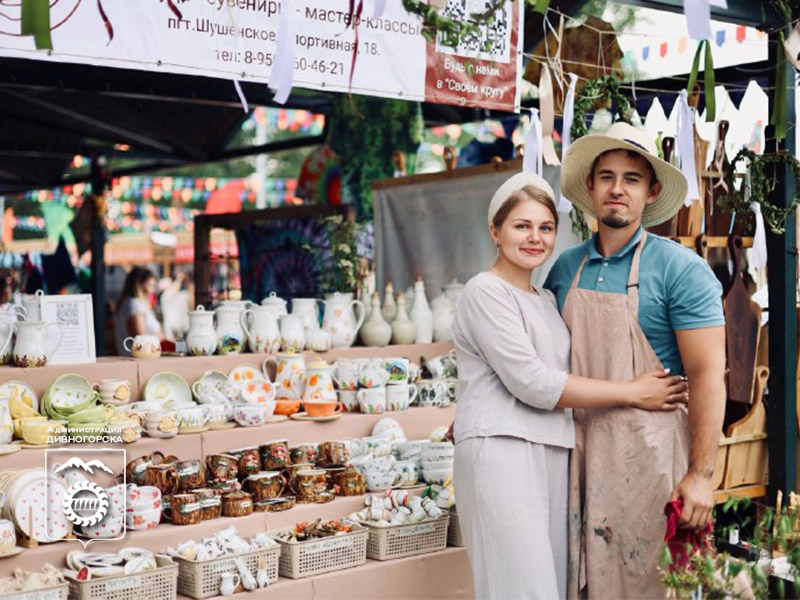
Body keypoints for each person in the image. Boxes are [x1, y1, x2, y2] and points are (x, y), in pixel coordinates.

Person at [451, 171, 689, 600]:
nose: (534, 238)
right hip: (502, 452)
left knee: (552, 588)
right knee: (521, 590)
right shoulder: (484, 291)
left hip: (552, 451)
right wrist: (632, 392)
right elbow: (533, 382)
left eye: (545, 228)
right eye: (521, 226)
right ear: (495, 230)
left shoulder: (543, 299)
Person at [544, 122, 726, 598]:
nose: (617, 189)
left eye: (631, 178)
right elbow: (538, 366)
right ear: (590, 187)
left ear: (651, 192)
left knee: (652, 585)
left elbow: (708, 376)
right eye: (606, 177)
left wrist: (701, 476)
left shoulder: (680, 269)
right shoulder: (565, 268)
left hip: (650, 463)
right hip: (577, 459)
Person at [114, 266, 164, 355]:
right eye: (151, 286)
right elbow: (141, 339)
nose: (152, 290)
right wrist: (161, 336)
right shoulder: (134, 305)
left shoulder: (129, 304)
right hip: (140, 361)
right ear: (142, 285)